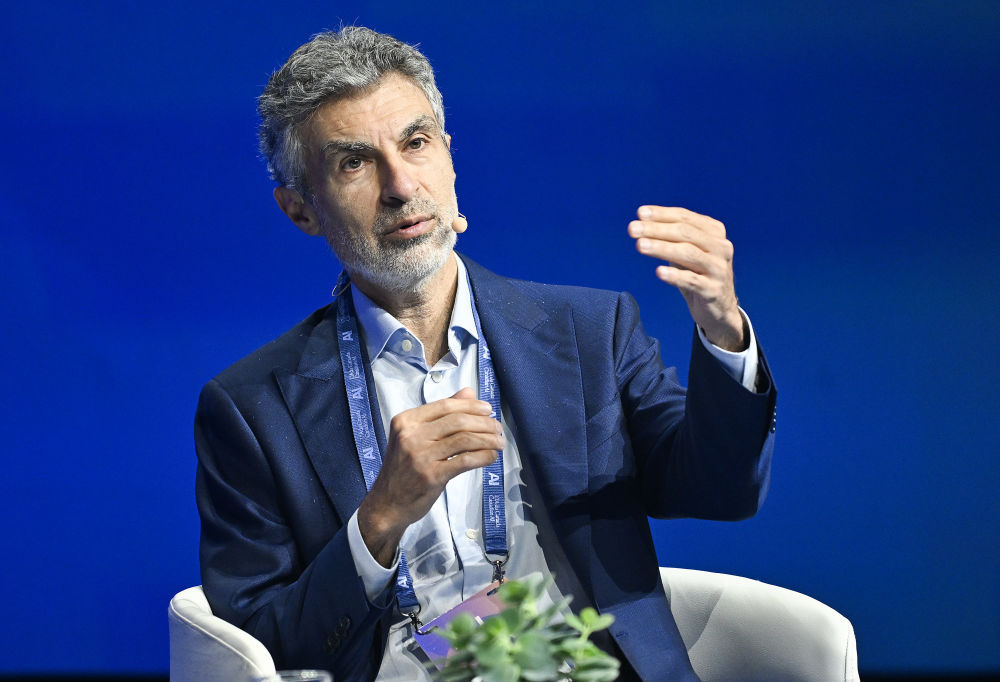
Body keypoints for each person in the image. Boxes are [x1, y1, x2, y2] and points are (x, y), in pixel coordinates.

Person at [195, 25, 776, 681]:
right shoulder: (251, 408)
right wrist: (379, 518)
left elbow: (722, 490)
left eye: (415, 144)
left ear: (448, 156)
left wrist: (724, 330)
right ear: (301, 210)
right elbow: (259, 649)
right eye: (354, 162)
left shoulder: (589, 331)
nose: (399, 184)